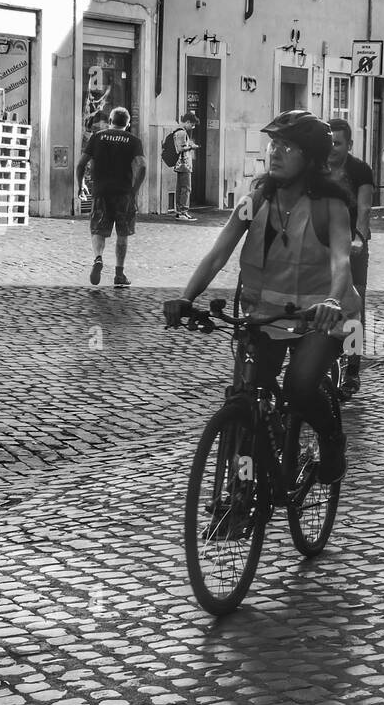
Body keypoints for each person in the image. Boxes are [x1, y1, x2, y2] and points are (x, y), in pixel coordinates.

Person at [162, 110, 357, 483]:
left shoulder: (330, 206)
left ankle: (332, 439)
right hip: (263, 316)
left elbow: (341, 262)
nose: (276, 152)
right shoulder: (255, 201)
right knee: (246, 397)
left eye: (289, 147)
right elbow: (217, 255)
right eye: (274, 144)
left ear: (311, 158)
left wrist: (332, 301)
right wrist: (186, 298)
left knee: (299, 388)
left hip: (321, 317)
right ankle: (241, 494)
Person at [325, 118, 374, 399]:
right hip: (323, 246)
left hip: (353, 243)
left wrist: (359, 237)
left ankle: (352, 367)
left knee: (355, 305)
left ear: (349, 145)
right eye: (329, 142)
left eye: (338, 143)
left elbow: (365, 208)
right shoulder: (317, 168)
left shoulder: (359, 170)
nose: (332, 148)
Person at [76, 107, 146, 288]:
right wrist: (134, 191)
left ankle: (98, 258)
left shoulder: (97, 137)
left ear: (110, 121)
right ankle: (119, 274)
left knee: (98, 230)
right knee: (123, 234)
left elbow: (81, 164)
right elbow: (143, 167)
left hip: (101, 192)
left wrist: (81, 185)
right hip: (124, 194)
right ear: (128, 124)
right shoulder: (134, 141)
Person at [167, 113, 200, 221]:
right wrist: (192, 146)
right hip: (183, 164)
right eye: (193, 124)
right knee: (186, 188)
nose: (193, 127)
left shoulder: (179, 131)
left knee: (181, 188)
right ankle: (183, 212)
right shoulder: (181, 132)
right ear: (188, 122)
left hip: (181, 164)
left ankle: (180, 212)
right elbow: (181, 148)